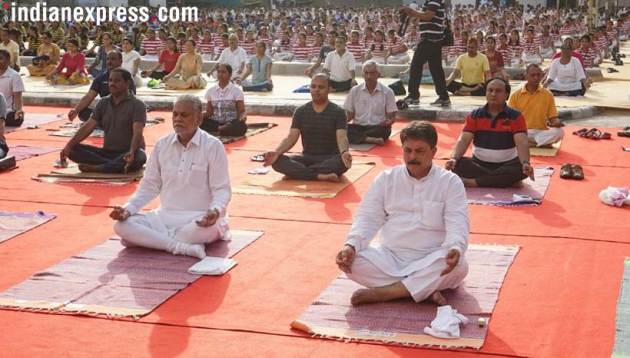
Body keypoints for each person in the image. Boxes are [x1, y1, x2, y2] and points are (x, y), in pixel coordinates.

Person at [336, 121, 468, 306]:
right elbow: (368, 217)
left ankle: (387, 293)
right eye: (408, 150)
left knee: (459, 265)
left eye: (419, 151)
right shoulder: (386, 179)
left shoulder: (450, 182)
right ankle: (420, 289)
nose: (412, 156)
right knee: (353, 262)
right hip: (390, 257)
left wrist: (455, 246)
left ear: (434, 151)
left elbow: (457, 221)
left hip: (431, 257)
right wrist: (351, 245)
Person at [111, 95, 231, 260]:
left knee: (209, 228)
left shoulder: (213, 146)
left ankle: (152, 240)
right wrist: (128, 209)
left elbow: (221, 189)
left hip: (199, 219)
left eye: (184, 115)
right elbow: (149, 186)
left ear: (199, 119)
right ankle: (178, 246)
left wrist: (215, 211)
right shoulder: (162, 145)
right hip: (165, 217)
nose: (178, 119)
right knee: (121, 226)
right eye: (175, 114)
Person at [445, 78, 533, 188]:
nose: (493, 94)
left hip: (507, 164)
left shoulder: (516, 116)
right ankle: (502, 180)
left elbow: (522, 143)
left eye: (498, 91)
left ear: (506, 95)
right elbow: (464, 140)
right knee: (458, 164)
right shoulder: (475, 115)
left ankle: (474, 182)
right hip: (478, 165)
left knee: (521, 169)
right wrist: (454, 158)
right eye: (490, 90)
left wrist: (525, 163)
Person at [263, 73, 352, 182]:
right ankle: (318, 176)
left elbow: (342, 137)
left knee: (341, 162)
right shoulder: (300, 111)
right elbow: (291, 138)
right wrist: (276, 152)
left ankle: (301, 173)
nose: (316, 90)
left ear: (329, 89)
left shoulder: (338, 112)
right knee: (277, 161)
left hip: (330, 159)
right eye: (313, 86)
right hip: (306, 158)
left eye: (321, 87)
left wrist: (344, 152)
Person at [60, 68, 147, 174]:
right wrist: (68, 145)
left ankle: (100, 168)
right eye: (110, 80)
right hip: (106, 152)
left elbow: (138, 133)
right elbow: (88, 127)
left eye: (117, 81)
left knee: (140, 156)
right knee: (73, 149)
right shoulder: (103, 102)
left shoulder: (138, 105)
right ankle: (111, 166)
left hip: (128, 152)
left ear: (127, 83)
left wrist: (132, 152)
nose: (112, 84)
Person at [400, 0, 451, 107]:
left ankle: (413, 95)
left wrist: (412, 11)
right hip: (434, 40)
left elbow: (428, 16)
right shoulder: (430, 2)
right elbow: (424, 18)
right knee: (436, 69)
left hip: (429, 40)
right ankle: (444, 97)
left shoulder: (434, 1)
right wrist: (411, 14)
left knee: (415, 65)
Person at [68, 50, 136, 123]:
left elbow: (131, 97)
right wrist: (76, 110)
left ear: (120, 61)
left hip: (123, 111)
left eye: (113, 59)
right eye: (108, 59)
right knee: (83, 113)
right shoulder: (100, 78)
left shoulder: (127, 77)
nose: (109, 62)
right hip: (106, 111)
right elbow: (89, 96)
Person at [508, 64, 564, 148]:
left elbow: (553, 118)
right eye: (533, 75)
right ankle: (540, 143)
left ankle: (529, 143)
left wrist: (557, 122)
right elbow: (510, 118)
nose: (536, 78)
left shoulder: (548, 94)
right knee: (505, 132)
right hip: (522, 131)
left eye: (538, 75)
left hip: (541, 131)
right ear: (526, 76)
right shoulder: (516, 95)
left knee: (559, 132)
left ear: (542, 76)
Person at [344, 61, 397, 145]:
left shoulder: (388, 92)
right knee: (343, 129)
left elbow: (391, 116)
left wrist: (389, 121)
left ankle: (359, 138)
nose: (369, 76)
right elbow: (350, 114)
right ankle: (369, 139)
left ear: (378, 74)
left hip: (377, 128)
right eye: (366, 73)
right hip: (359, 127)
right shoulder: (355, 91)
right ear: (362, 75)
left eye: (372, 73)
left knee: (384, 130)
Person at [202, 63, 247, 137]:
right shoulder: (211, 91)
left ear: (230, 75)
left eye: (223, 72)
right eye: (218, 72)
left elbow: (242, 111)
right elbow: (209, 112)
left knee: (242, 127)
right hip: (215, 123)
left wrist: (243, 117)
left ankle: (218, 130)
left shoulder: (237, 91)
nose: (220, 74)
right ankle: (220, 129)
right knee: (199, 122)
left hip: (230, 123)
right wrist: (200, 115)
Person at [0, 50, 25, 127]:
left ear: (8, 61)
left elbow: (18, 97)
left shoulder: (15, 76)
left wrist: (18, 110)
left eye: (0, 58)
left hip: (7, 111)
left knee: (16, 119)